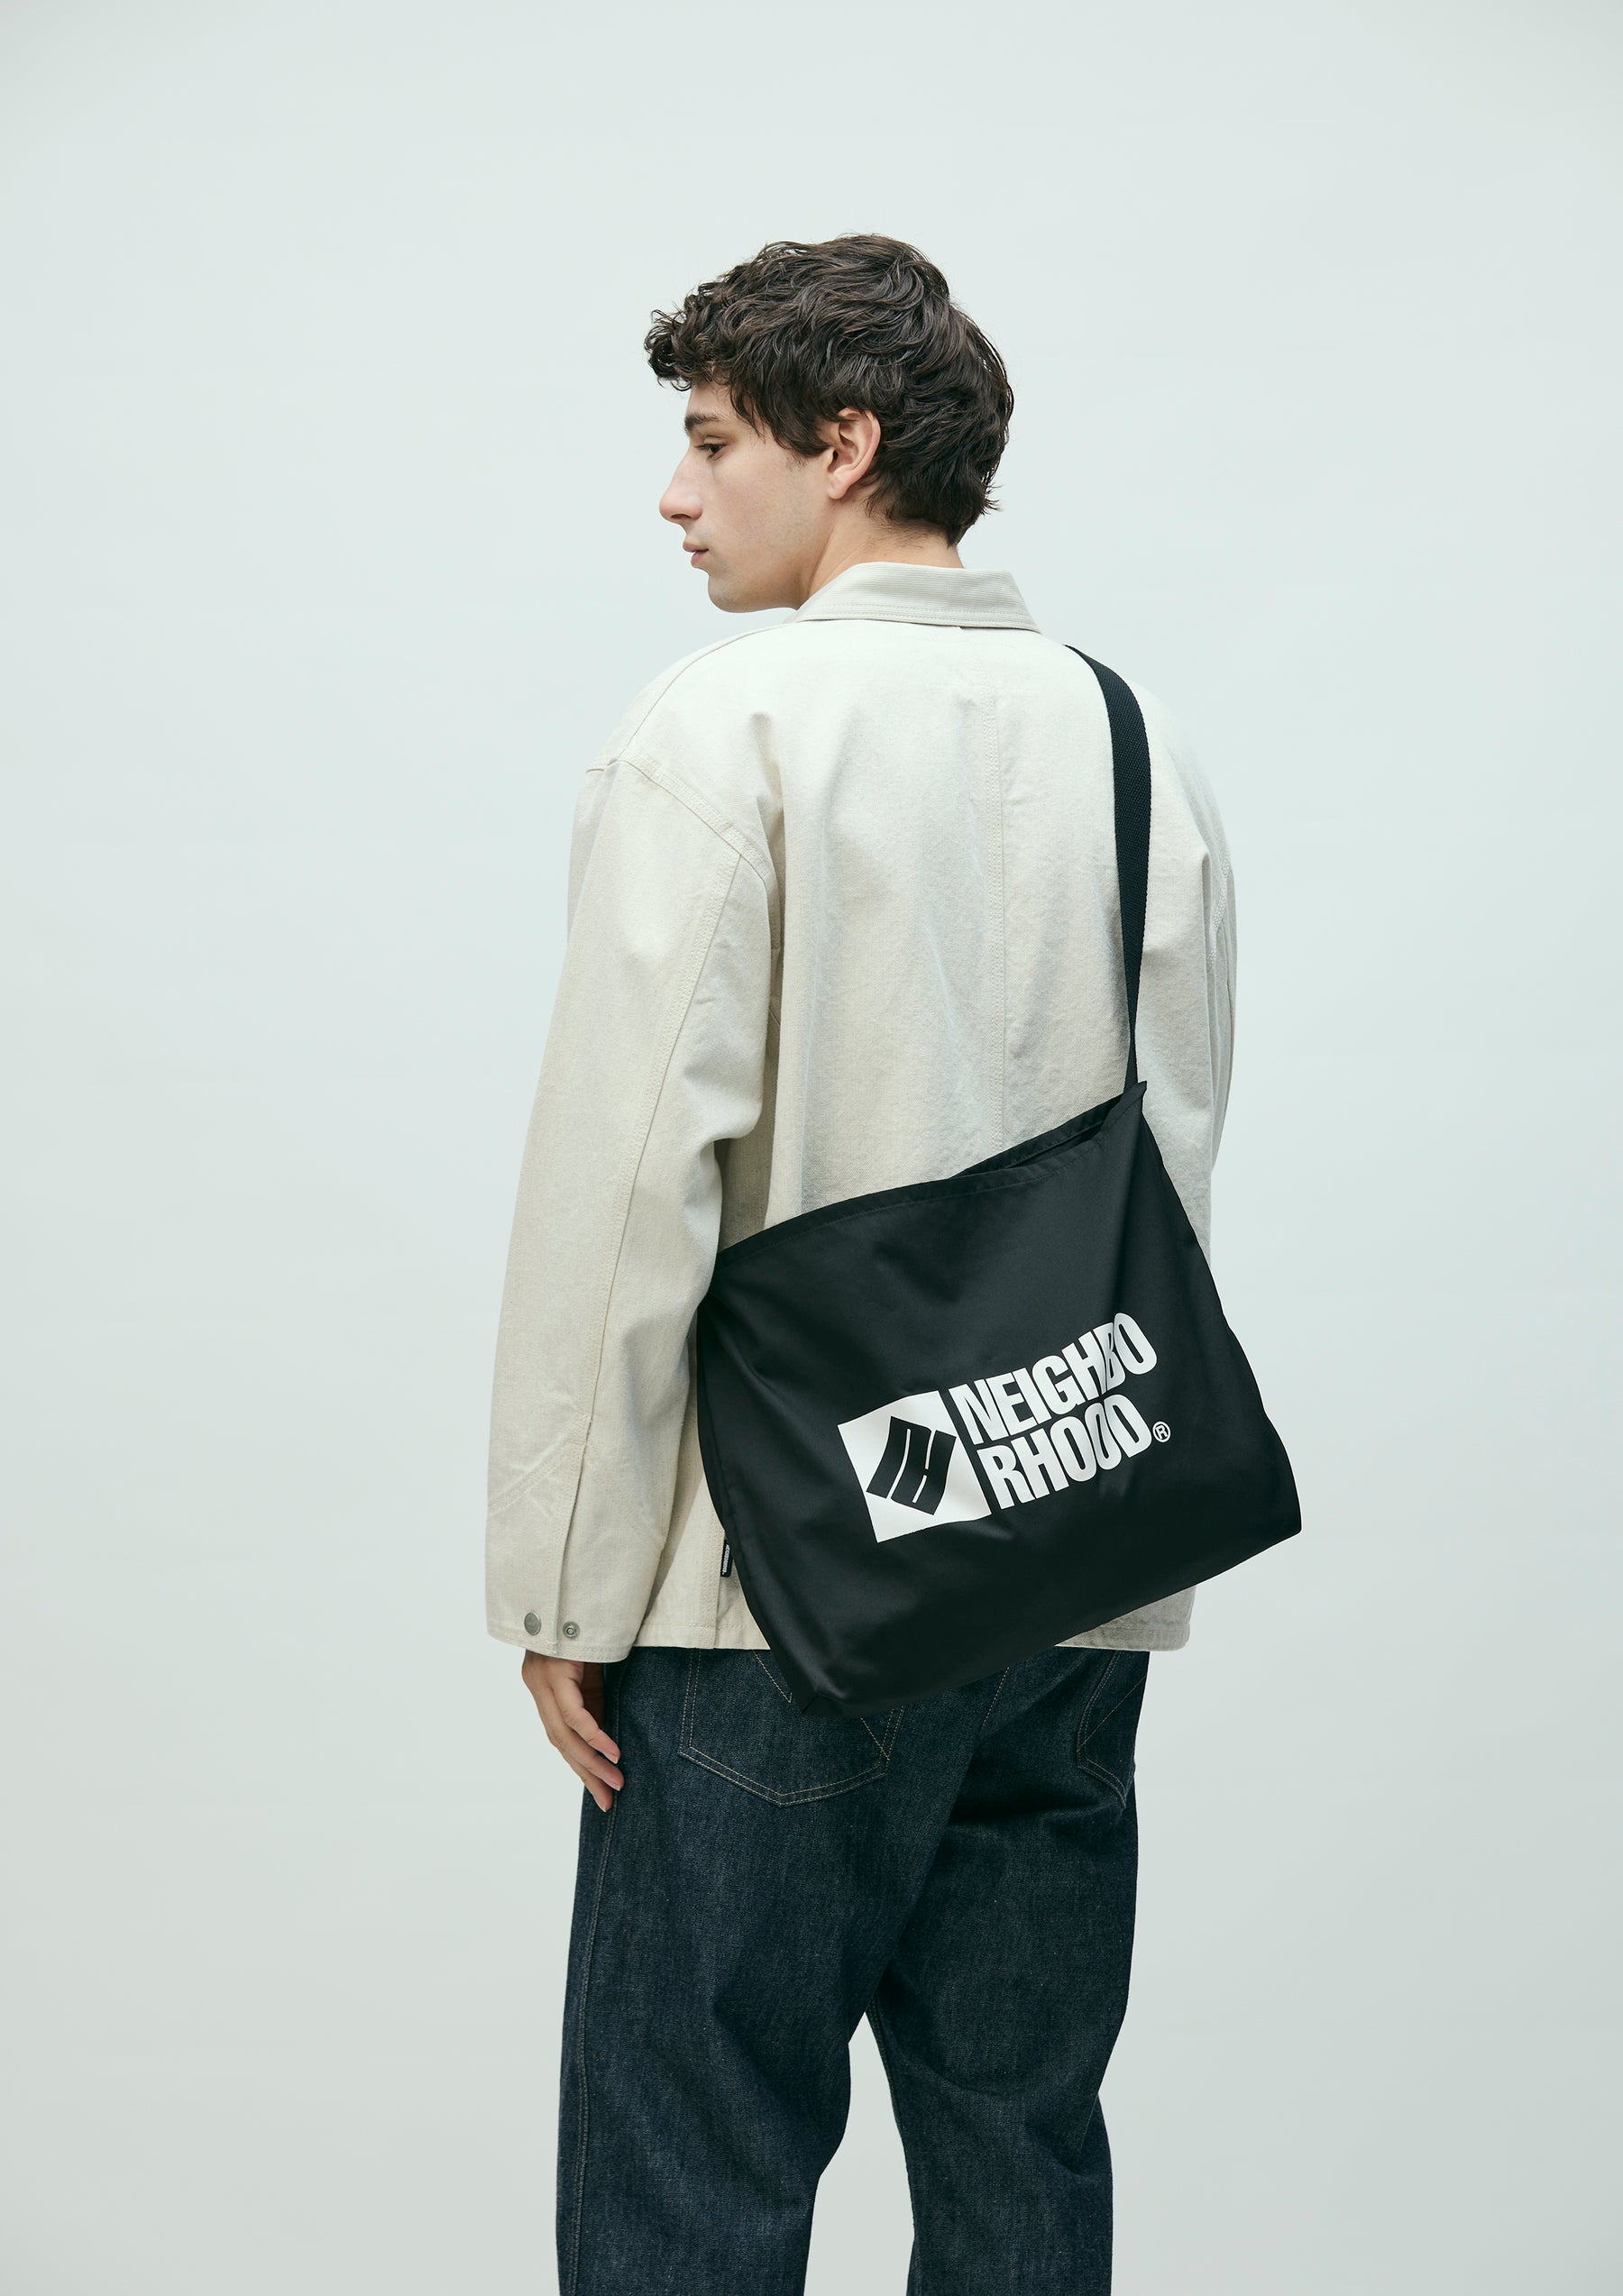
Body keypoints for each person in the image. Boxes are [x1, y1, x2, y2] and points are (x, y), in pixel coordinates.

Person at [487, 234, 1236, 2294]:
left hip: (772, 1586)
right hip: (1064, 1560)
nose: (675, 494)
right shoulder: (1127, 735)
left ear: (844, 443)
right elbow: (1168, 1149)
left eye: (712, 442)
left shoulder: (723, 729)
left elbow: (626, 1183)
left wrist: (562, 1582)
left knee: (692, 2170)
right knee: (1018, 2147)